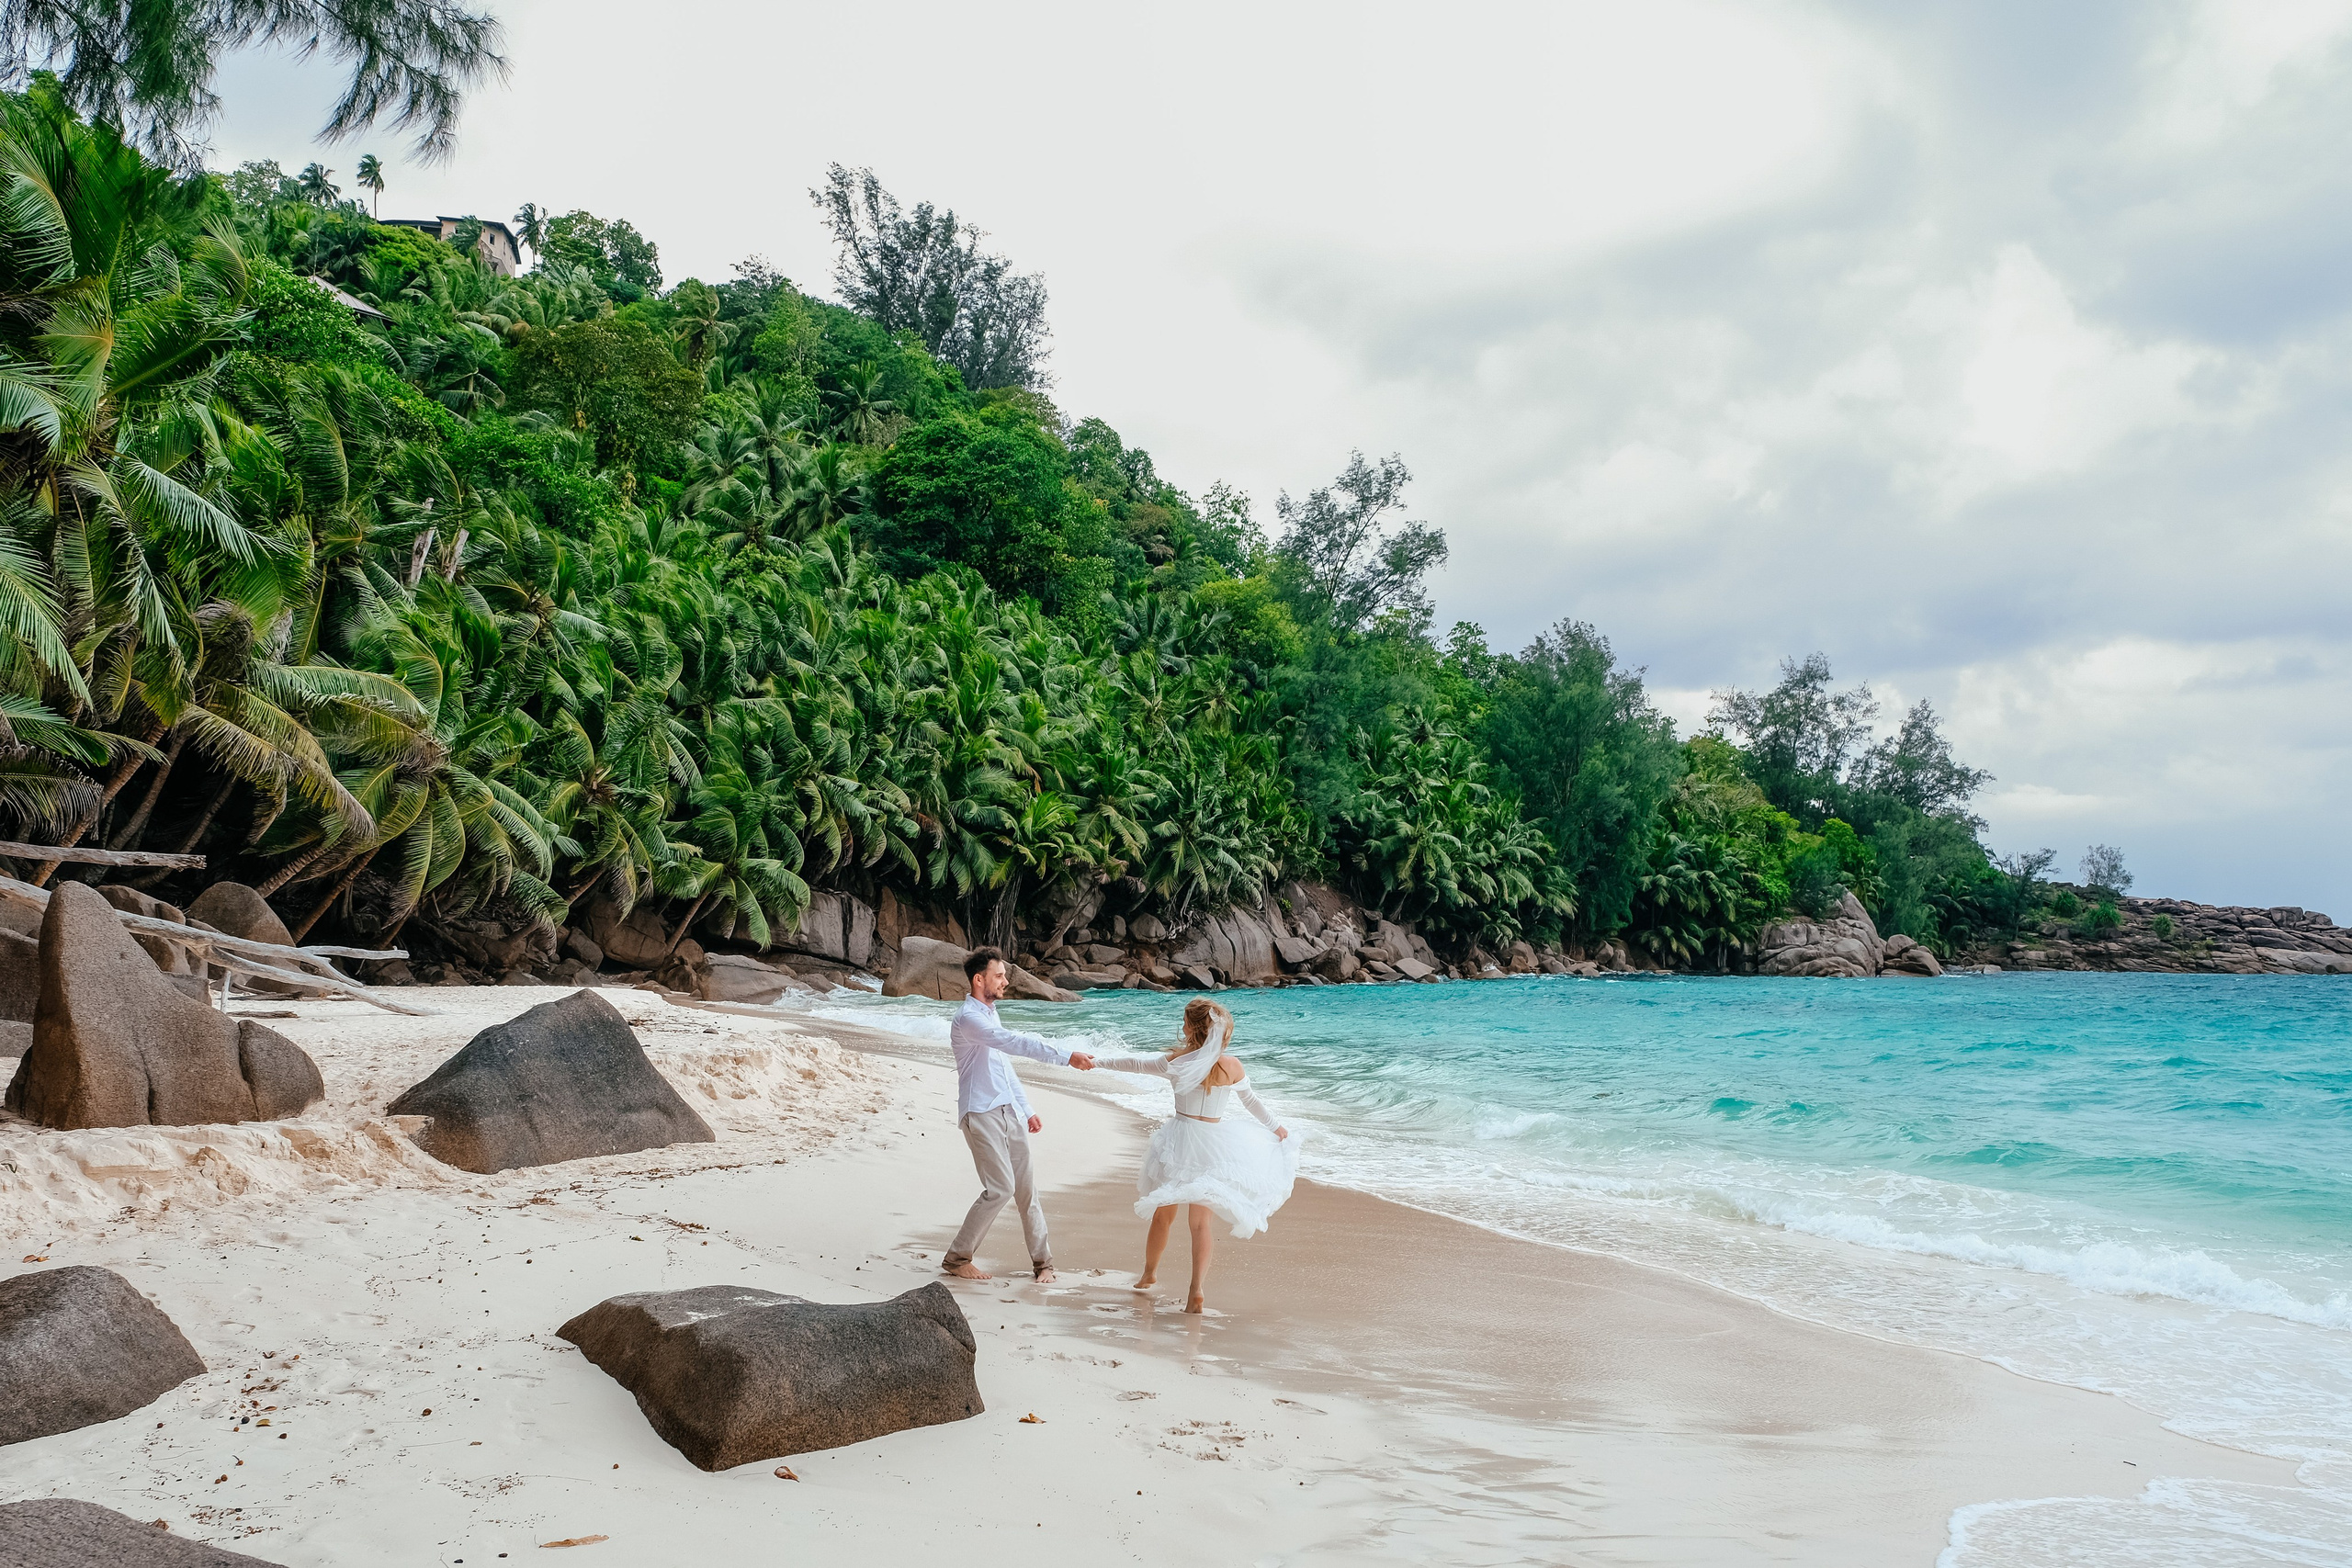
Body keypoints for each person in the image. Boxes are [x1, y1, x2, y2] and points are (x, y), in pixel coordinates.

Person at [1092, 998, 1297, 1314]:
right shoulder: (1232, 1066)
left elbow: (1133, 1063)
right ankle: (1196, 1290)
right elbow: (1251, 1102)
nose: (1183, 1025)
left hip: (1179, 1143)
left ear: (1192, 1028)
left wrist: (1096, 1061)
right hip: (1215, 1146)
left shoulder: (1176, 1061)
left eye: (1185, 1021)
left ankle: (1149, 1273)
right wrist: (1277, 1128)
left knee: (1164, 1214)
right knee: (1201, 1225)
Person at [941, 946, 1097, 1283]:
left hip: (1007, 1110)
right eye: (999, 976)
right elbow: (1014, 1043)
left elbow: (1003, 1065)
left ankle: (1044, 1264)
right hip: (980, 1112)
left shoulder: (990, 1013)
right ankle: (957, 1258)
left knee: (1026, 1190)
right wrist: (1066, 1056)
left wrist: (1025, 1109)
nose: (1005, 981)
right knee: (1000, 1188)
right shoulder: (968, 1018)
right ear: (979, 979)